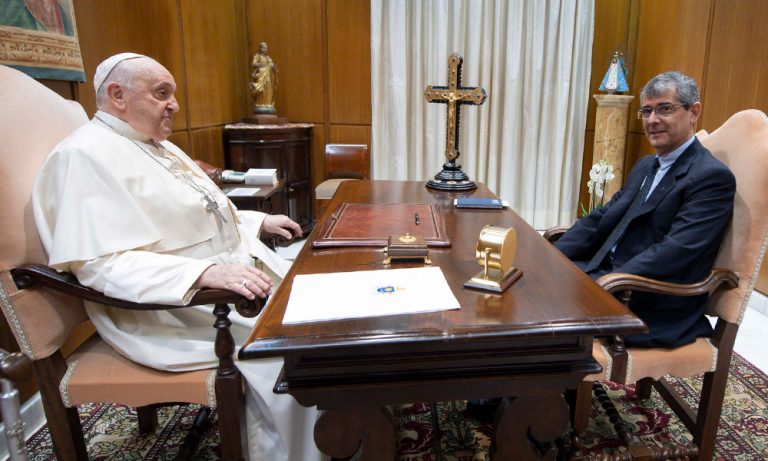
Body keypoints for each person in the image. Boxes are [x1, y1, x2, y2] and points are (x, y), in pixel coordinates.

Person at [32, 52, 322, 461]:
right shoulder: (83, 156)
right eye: (161, 93)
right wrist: (203, 274)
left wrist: (257, 221)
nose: (175, 105)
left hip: (226, 280)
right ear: (117, 95)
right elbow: (100, 265)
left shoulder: (156, 145)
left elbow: (198, 214)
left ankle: (341, 429)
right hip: (169, 309)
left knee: (319, 307)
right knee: (292, 347)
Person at [555, 71, 736, 348]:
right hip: (604, 274)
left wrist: (606, 283)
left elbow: (676, 251)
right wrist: (552, 255)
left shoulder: (710, 177)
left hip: (648, 301)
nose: (652, 120)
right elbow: (603, 217)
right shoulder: (646, 165)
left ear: (693, 112)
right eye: (647, 111)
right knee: (527, 287)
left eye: (665, 109)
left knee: (538, 319)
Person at [249, 42, 277, 114]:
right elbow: (253, 64)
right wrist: (258, 64)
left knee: (268, 89)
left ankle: (267, 104)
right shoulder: (257, 56)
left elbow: (271, 65)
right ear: (260, 48)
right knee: (261, 91)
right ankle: (260, 104)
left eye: (266, 48)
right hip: (261, 76)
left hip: (267, 77)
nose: (265, 49)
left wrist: (273, 66)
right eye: (264, 48)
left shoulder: (268, 58)